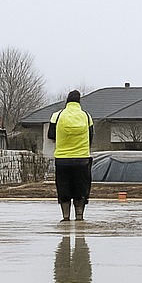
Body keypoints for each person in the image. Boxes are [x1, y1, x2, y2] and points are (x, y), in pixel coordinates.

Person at [47, 90, 95, 222]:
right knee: (81, 187)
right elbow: (91, 136)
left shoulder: (57, 116)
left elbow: (51, 135)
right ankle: (79, 216)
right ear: (79, 102)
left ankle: (65, 216)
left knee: (64, 187)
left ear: (67, 101)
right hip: (82, 159)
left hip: (62, 159)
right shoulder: (86, 116)